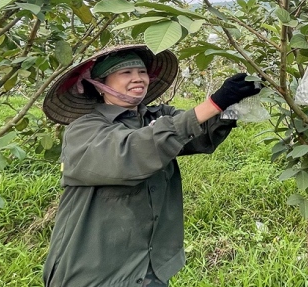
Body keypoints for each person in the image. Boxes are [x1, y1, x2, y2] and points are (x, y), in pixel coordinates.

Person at [41, 44, 261, 287]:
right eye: (125, 73)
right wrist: (214, 103)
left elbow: (198, 135)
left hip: (149, 268)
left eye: (141, 72)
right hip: (95, 271)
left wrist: (232, 105)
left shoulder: (155, 117)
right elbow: (133, 152)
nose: (138, 79)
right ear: (100, 84)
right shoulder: (83, 130)